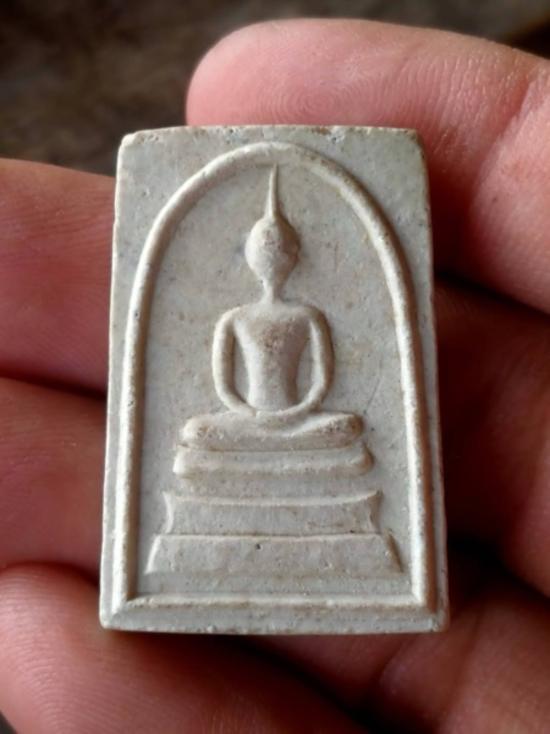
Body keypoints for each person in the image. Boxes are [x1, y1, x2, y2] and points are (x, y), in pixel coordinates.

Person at [1, 18, 550, 732]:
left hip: (303, 423)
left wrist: (294, 415)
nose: (273, 263)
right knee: (199, 434)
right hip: (246, 425)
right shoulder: (235, 317)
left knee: (345, 430)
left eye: (279, 254)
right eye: (268, 254)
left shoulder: (308, 316)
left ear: (289, 260)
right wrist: (257, 416)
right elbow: (224, 385)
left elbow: (321, 382)